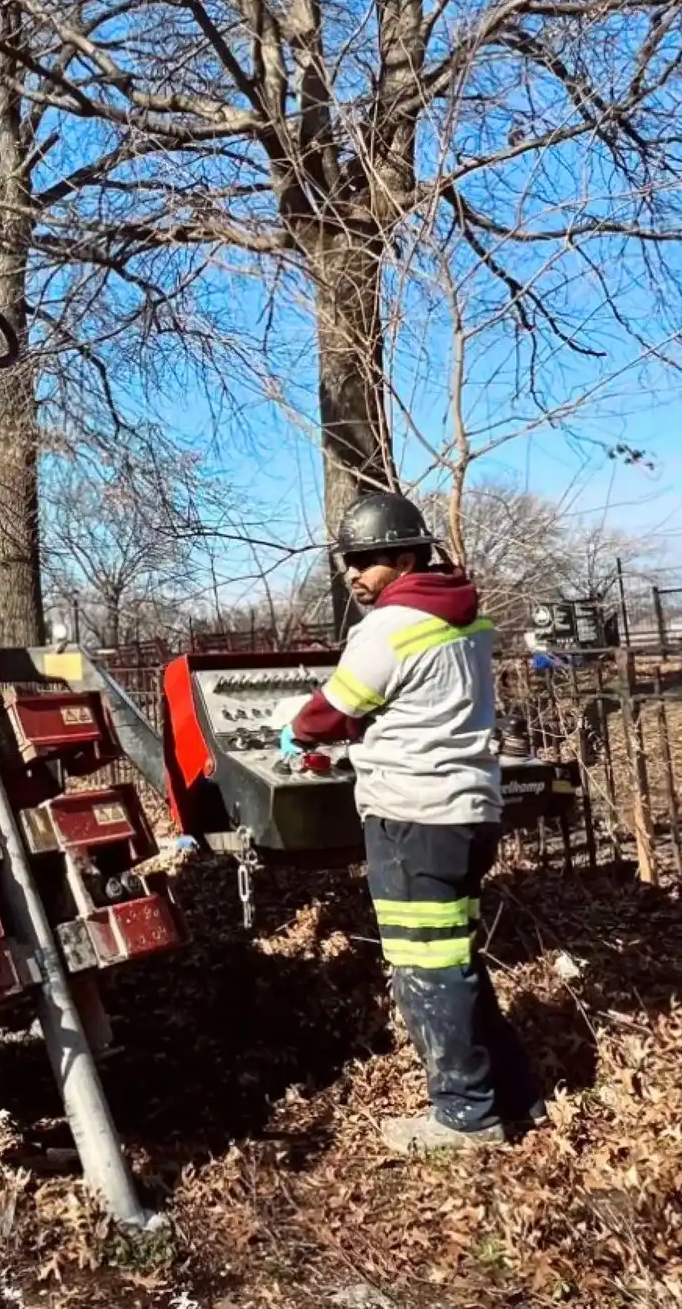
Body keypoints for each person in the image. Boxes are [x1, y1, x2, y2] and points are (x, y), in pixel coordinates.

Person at [281, 491, 542, 1155]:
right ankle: (515, 1095)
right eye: (347, 561)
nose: (352, 574)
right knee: (456, 960)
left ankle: (464, 1117)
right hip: (468, 810)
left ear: (403, 559)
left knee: (425, 970)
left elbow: (334, 709)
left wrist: (296, 731)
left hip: (413, 816)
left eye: (364, 561)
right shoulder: (464, 616)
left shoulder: (390, 627)